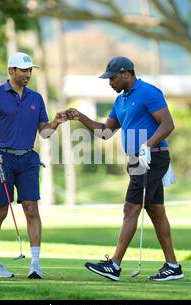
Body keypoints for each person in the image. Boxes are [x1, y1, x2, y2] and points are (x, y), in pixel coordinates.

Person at [65, 56, 184, 281]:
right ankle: (173, 267)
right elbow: (105, 132)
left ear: (126, 74)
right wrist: (79, 117)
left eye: (112, 78)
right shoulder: (120, 101)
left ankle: (115, 265)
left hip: (151, 159)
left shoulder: (149, 92)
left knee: (131, 208)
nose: (109, 82)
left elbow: (168, 124)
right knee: (156, 212)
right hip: (137, 161)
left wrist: (147, 145)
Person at [0, 52, 66, 279]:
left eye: (30, 70)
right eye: (23, 70)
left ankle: (35, 264)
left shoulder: (35, 99)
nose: (28, 74)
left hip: (27, 160)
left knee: (32, 209)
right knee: (0, 211)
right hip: (1, 159)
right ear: (10, 71)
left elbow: (43, 133)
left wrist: (56, 121)